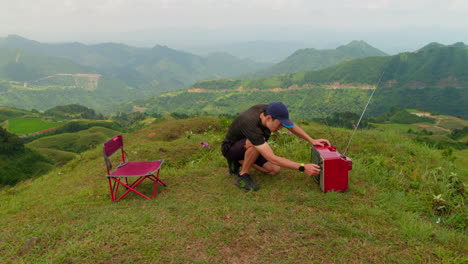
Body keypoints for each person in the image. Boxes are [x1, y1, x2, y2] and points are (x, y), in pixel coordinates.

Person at [221, 102, 330, 191]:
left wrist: (312, 140)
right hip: (230, 149)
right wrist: (302, 167)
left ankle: (239, 161)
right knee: (255, 143)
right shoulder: (251, 124)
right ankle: (243, 175)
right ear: (268, 118)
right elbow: (271, 157)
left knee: (274, 170)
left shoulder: (270, 111)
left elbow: (291, 127)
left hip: (248, 147)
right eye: (279, 125)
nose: (281, 128)